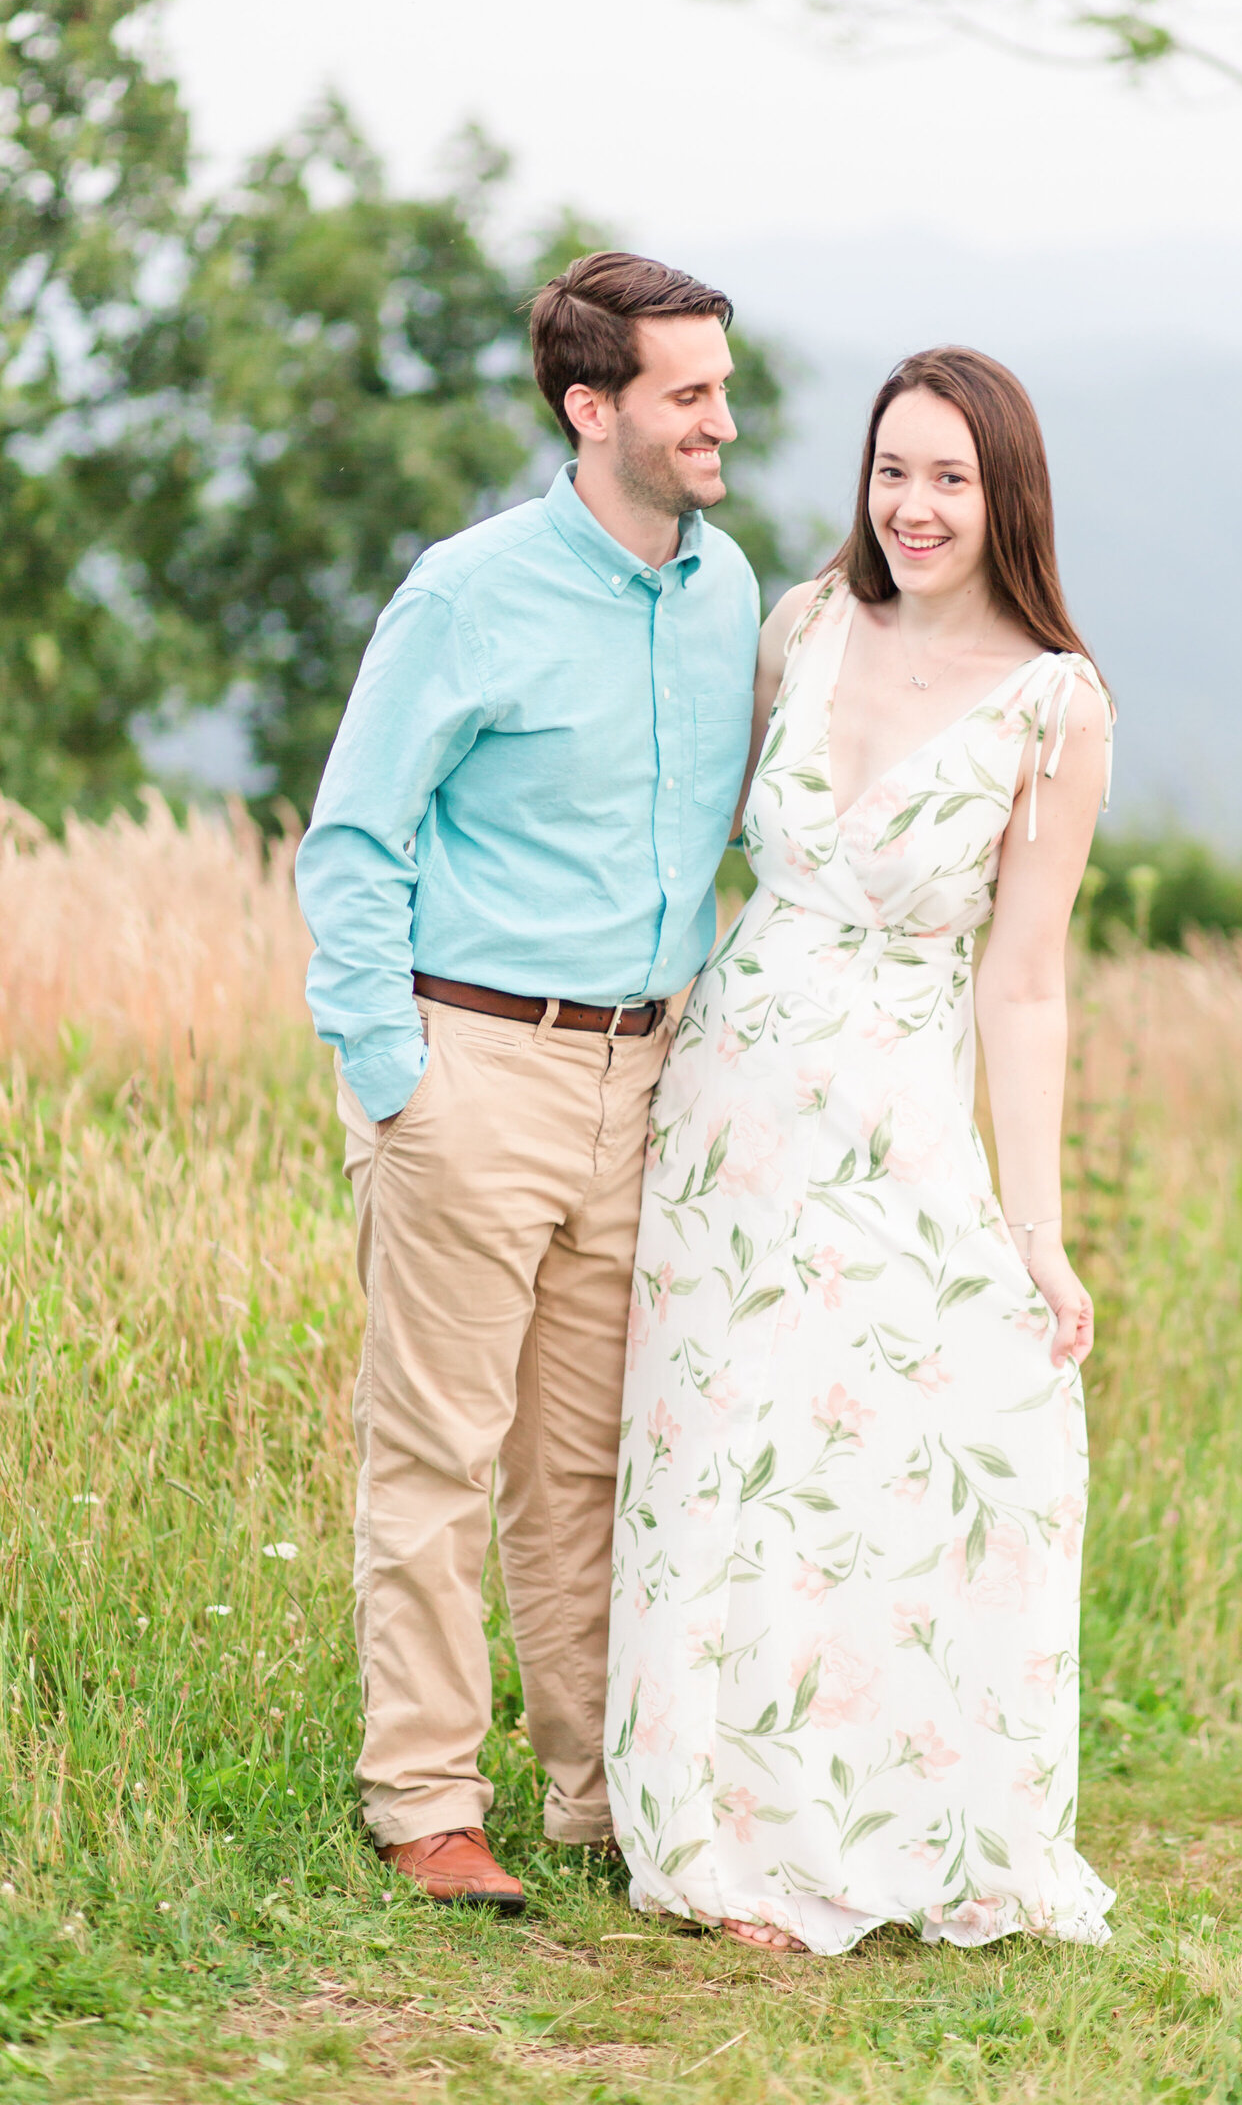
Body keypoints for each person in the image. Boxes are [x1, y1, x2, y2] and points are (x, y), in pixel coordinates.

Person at [607, 346, 1116, 1955]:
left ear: (1007, 495)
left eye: (950, 478)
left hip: (897, 1107)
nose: (913, 505)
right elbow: (696, 835)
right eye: (894, 470)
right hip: (733, 1100)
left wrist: (1034, 1224)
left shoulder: (1057, 704)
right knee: (727, 1455)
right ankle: (713, 1825)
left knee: (899, 1447)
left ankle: (885, 1809)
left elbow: (1023, 980)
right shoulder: (807, 627)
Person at [295, 252, 761, 1910]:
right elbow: (353, 837)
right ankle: (423, 1799)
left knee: (588, 1463)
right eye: (689, 392)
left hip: (645, 1085)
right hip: (472, 1064)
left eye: (721, 383)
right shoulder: (467, 592)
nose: (724, 418)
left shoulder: (727, 594)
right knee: (435, 1453)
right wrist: (394, 1072)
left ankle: (593, 1793)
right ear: (595, 407)